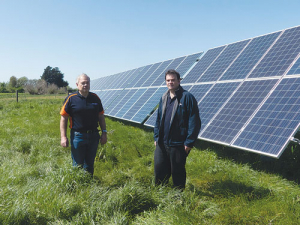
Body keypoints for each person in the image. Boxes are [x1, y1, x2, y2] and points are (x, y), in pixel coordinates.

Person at [154, 69, 201, 189]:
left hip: (178, 143)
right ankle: (160, 193)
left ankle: (178, 197)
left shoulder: (187, 97)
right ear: (165, 82)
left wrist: (189, 142)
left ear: (179, 81)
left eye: (173, 80)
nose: (170, 82)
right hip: (162, 142)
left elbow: (194, 121)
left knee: (177, 172)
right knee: (159, 170)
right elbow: (159, 119)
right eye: (168, 80)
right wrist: (156, 137)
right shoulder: (164, 97)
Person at [60, 73, 107, 176]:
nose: (85, 85)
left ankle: (89, 185)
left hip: (94, 135)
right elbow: (64, 118)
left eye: (87, 83)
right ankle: (78, 187)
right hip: (78, 136)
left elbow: (101, 116)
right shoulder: (71, 98)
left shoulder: (95, 98)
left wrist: (104, 132)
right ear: (77, 85)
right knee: (77, 164)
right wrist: (63, 137)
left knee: (90, 163)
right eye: (83, 83)